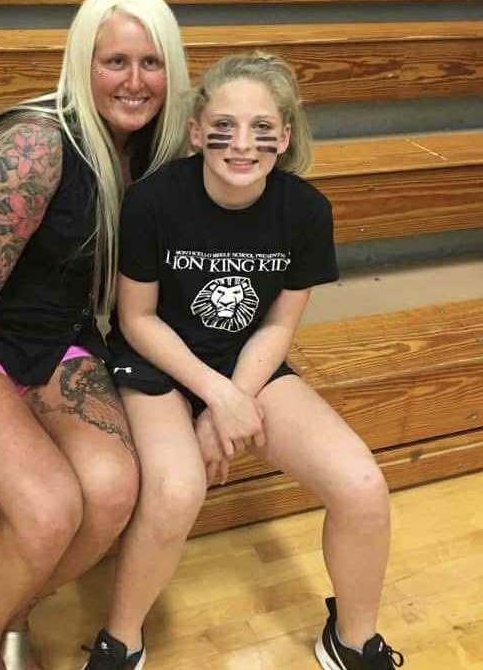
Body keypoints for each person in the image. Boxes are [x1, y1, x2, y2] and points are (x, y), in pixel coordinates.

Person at [0, 0, 190, 670]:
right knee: (49, 509)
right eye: (115, 61)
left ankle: (13, 607)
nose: (135, 81)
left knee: (111, 492)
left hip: (63, 336)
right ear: (83, 63)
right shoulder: (33, 145)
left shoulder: (153, 149)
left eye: (151, 62)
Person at [82, 52, 404, 670]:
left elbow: (278, 325)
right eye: (224, 126)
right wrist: (219, 398)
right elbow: (137, 320)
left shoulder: (306, 210)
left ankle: (353, 640)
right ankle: (121, 640)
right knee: (176, 490)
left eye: (261, 128)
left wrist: (233, 399)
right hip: (158, 360)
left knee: (363, 487)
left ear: (284, 136)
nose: (242, 144)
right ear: (197, 130)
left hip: (247, 362)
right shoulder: (153, 202)